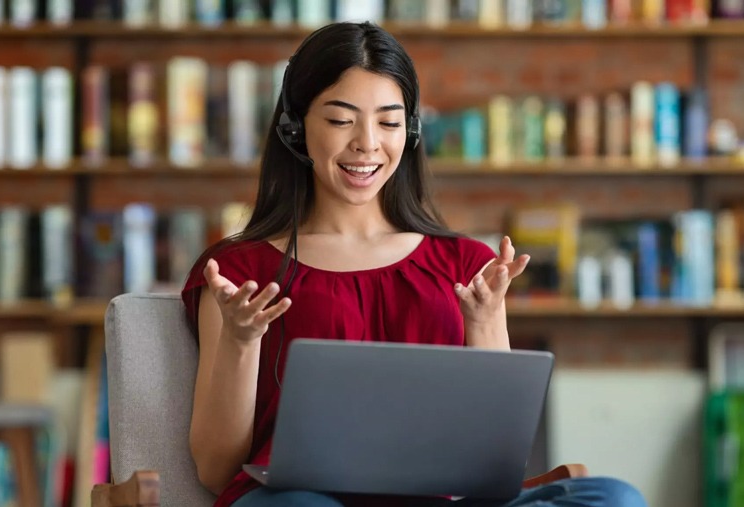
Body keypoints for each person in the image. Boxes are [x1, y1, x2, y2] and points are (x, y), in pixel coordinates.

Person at [181, 22, 646, 507]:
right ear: (294, 129)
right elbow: (217, 471)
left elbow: (494, 457)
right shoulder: (237, 272)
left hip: (441, 500)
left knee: (615, 497)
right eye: (341, 121)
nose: (367, 144)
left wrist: (484, 322)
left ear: (412, 130)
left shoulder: (466, 264)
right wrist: (241, 341)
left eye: (388, 121)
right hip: (300, 500)